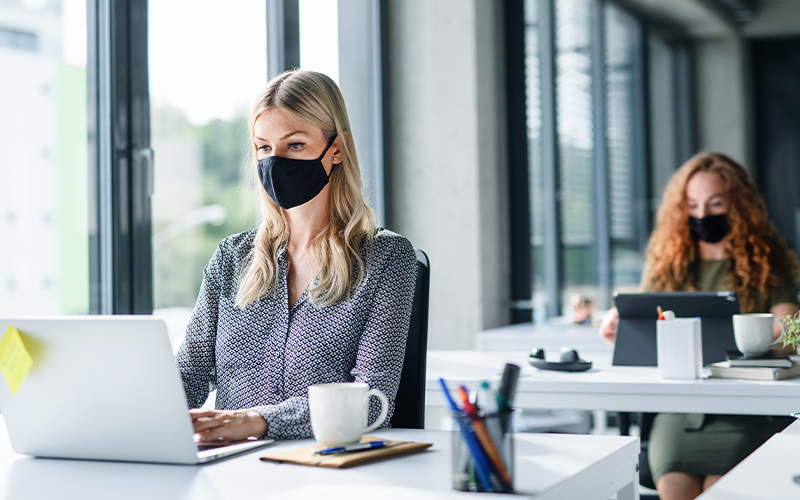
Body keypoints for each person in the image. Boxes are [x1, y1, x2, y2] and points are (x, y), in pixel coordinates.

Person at [176, 69, 417, 443]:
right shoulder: (231, 258)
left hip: (324, 472)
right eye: (264, 147)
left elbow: (372, 400)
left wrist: (258, 421)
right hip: (229, 466)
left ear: (336, 149)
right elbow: (188, 374)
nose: (276, 161)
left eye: (296, 145)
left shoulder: (387, 259)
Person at [598, 152, 800, 500]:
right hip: (682, 408)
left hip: (747, 408)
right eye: (692, 204)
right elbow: (645, 325)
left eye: (715, 203)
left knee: (717, 490)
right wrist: (618, 328)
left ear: (738, 204)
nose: (702, 215)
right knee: (675, 487)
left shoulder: (768, 259)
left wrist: (771, 334)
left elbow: (792, 329)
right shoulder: (667, 261)